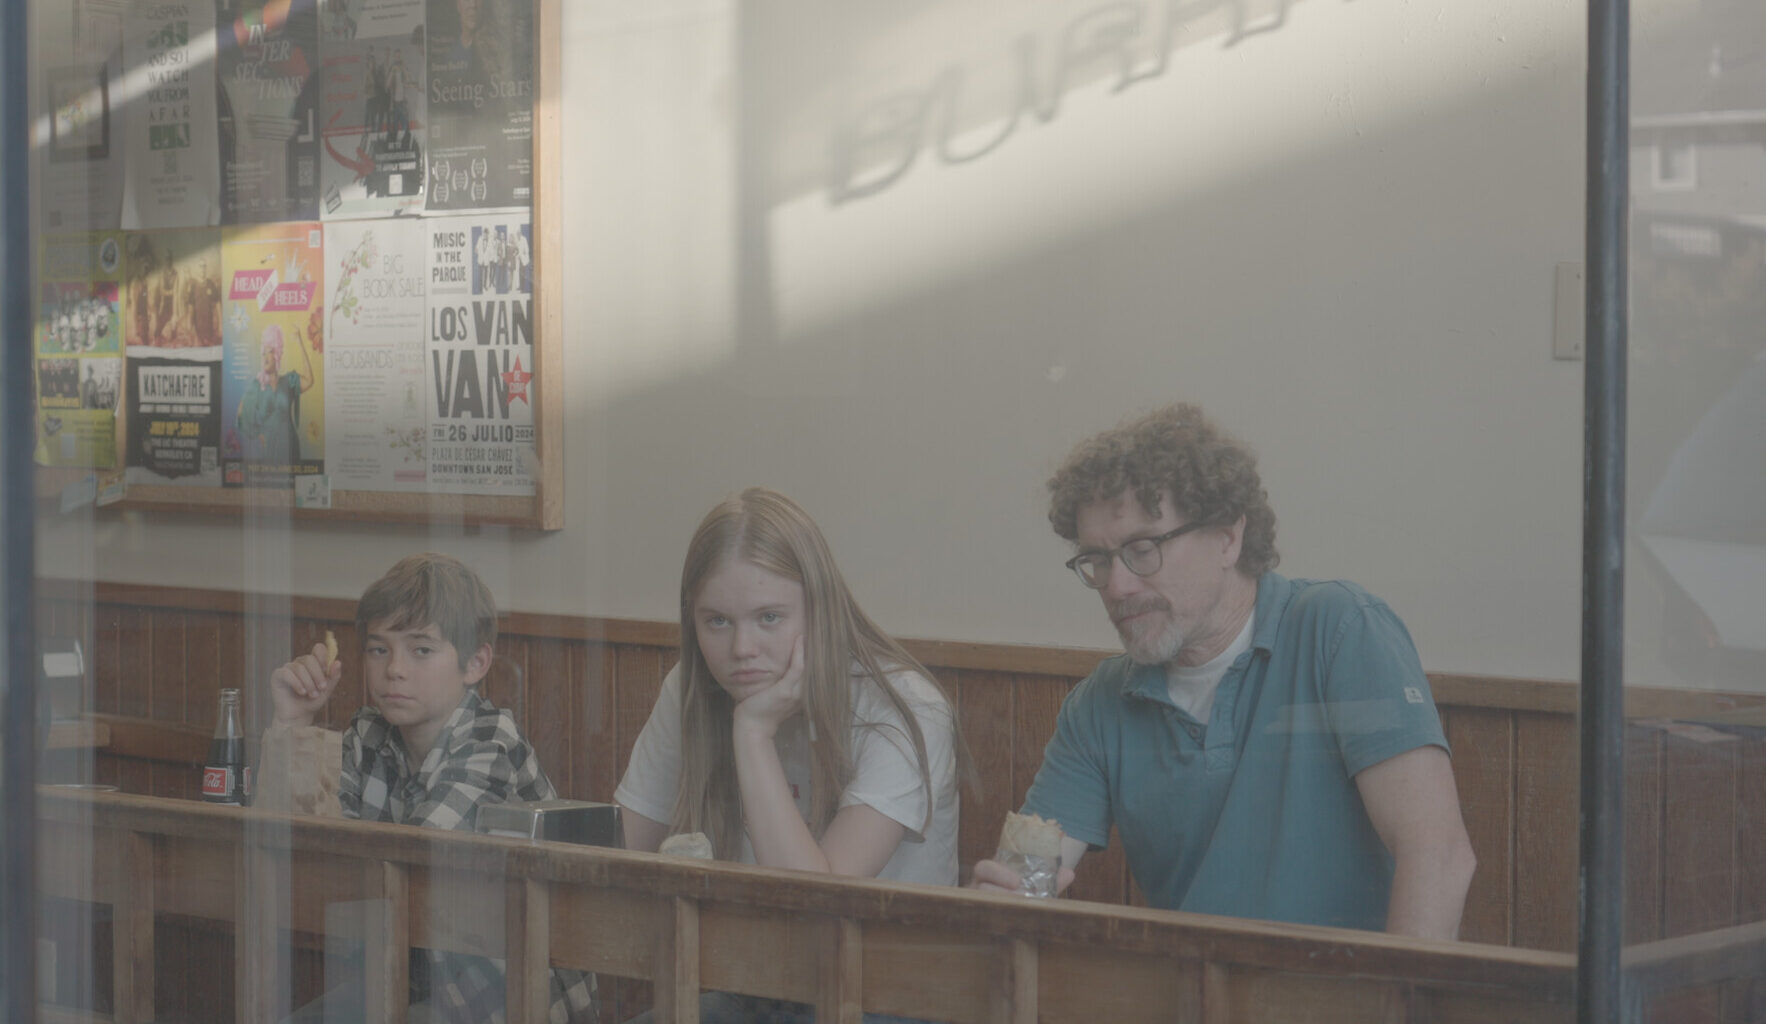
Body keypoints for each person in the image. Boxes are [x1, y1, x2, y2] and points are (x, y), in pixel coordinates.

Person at [971, 403, 1476, 940]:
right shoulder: (1101, 703)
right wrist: (1001, 904)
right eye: (1097, 559)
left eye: (1143, 549)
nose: (1116, 587)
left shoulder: (1340, 631)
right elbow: (1028, 880)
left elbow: (1438, 857)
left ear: (1229, 537)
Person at [616, 488, 960, 1024]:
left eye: (769, 618)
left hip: (892, 995)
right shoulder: (688, 688)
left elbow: (818, 910)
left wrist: (752, 732)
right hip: (756, 986)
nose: (742, 650)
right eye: (718, 621)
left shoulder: (907, 707)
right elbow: (619, 858)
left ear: (821, 610)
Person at [268, 552, 597, 1023]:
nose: (395, 669)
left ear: (476, 662)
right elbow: (295, 846)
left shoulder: (491, 741)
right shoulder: (368, 733)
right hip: (408, 982)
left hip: (509, 999)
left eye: (421, 649)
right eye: (380, 649)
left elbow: (414, 867)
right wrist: (293, 723)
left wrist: (334, 855)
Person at [236, 323, 315, 470]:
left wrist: (300, 342)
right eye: (263, 353)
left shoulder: (289, 381)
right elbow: (241, 412)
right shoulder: (257, 386)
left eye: (270, 352)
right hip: (270, 449)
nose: (265, 357)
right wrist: (258, 433)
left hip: (290, 446)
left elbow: (309, 380)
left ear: (277, 354)